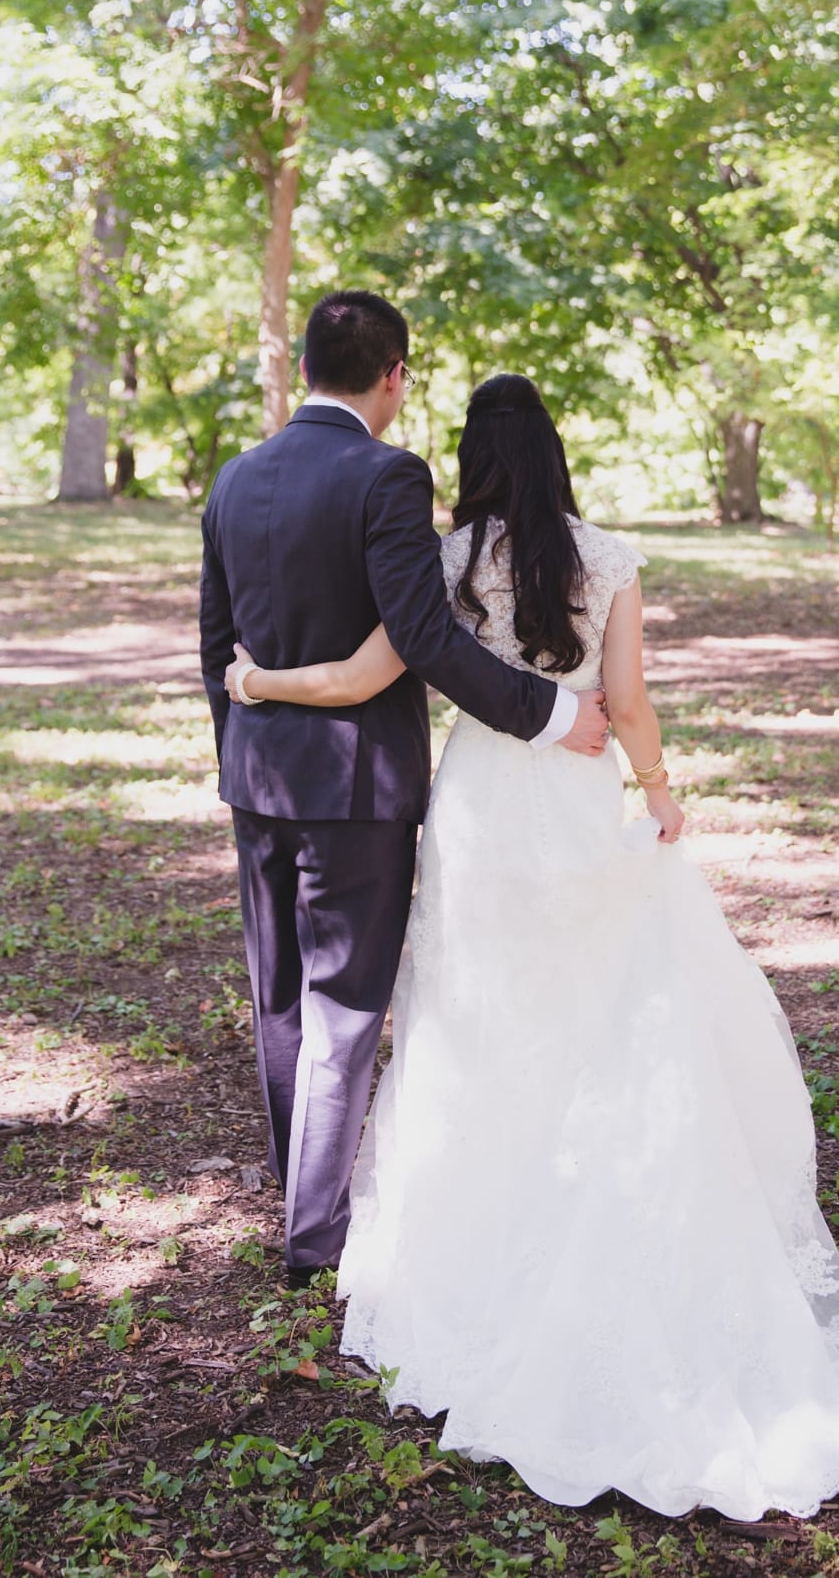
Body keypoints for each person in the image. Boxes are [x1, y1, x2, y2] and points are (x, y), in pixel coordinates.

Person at [222, 370, 839, 1521]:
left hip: (484, 810)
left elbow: (359, 677)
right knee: (612, 1017)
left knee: (482, 1024)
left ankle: (487, 1244)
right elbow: (628, 700)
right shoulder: (609, 557)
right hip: (582, 798)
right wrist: (658, 789)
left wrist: (254, 677)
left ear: (476, 462)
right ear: (553, 454)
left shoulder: (444, 564)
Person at [198, 293, 610, 1289]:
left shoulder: (234, 479)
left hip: (256, 783)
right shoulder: (387, 476)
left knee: (281, 1001)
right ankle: (315, 1236)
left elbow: (215, 647)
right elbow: (422, 640)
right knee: (343, 1008)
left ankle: (301, 1192)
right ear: (392, 375)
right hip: (356, 792)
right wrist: (554, 715)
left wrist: (242, 755)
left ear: (305, 368)